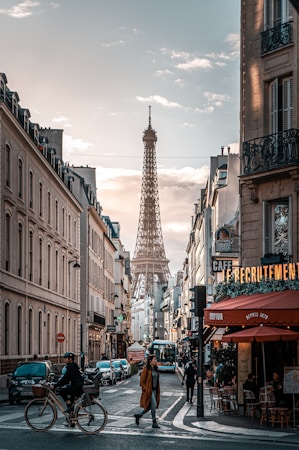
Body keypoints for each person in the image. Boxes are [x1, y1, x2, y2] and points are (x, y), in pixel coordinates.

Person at [134, 354, 161, 428]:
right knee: (154, 405)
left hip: (155, 390)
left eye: (156, 359)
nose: (156, 361)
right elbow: (142, 382)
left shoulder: (156, 369)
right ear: (150, 361)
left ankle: (139, 415)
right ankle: (154, 422)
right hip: (149, 390)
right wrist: (146, 389)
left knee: (150, 406)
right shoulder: (146, 369)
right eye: (154, 359)